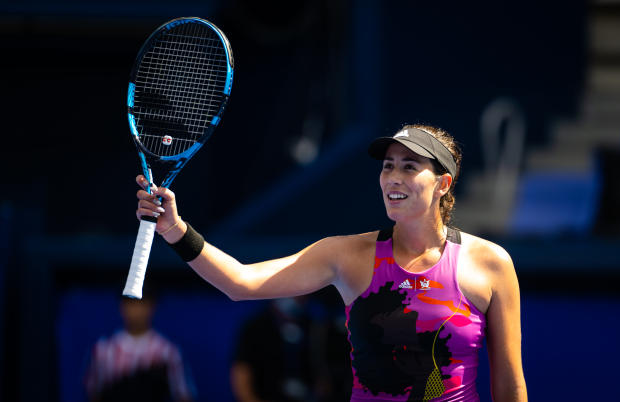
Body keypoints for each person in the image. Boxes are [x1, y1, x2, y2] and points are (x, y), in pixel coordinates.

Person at [135, 124, 527, 401]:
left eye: (410, 166)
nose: (393, 176)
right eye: (388, 165)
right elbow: (241, 283)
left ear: (443, 184)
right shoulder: (345, 255)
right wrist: (175, 230)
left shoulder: (491, 264)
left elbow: (510, 387)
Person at [84, 293, 194, 402]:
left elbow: (183, 395)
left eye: (142, 303)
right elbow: (94, 393)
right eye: (131, 303)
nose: (137, 310)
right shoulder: (103, 350)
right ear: (122, 306)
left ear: (152, 306)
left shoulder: (168, 352)